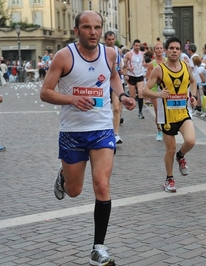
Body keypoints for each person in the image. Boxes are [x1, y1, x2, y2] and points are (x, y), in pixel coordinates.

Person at [40, 10, 135, 265]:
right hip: (72, 132)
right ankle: (64, 176)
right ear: (76, 31)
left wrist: (123, 94)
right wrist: (72, 98)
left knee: (102, 185)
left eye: (97, 27)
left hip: (102, 129)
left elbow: (113, 75)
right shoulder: (64, 56)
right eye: (87, 27)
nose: (93, 32)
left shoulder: (110, 53)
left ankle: (98, 248)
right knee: (74, 191)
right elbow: (45, 93)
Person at [142, 36, 197, 193]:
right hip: (166, 115)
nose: (174, 51)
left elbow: (193, 81)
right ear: (166, 51)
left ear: (181, 51)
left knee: (191, 141)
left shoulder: (186, 66)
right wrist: (159, 95)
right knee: (170, 150)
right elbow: (144, 90)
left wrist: (193, 96)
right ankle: (169, 179)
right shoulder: (159, 69)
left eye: (177, 48)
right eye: (171, 48)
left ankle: (181, 156)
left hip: (183, 112)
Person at [104, 31, 124, 144]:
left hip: (116, 82)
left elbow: (121, 65)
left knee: (116, 108)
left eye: (112, 39)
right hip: (105, 83)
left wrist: (121, 70)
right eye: (109, 39)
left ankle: (116, 134)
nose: (111, 41)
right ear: (105, 40)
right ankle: (105, 131)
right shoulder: (101, 50)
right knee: (104, 108)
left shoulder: (118, 51)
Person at [145, 42, 166, 141]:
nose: (159, 50)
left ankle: (167, 130)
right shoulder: (151, 64)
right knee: (158, 112)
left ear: (163, 50)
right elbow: (148, 77)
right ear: (154, 50)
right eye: (157, 48)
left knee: (166, 111)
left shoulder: (167, 61)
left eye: (161, 48)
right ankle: (159, 131)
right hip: (155, 90)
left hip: (165, 89)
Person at [124, 39, 145, 119]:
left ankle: (140, 112)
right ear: (133, 45)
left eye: (139, 46)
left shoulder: (142, 54)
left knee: (140, 92)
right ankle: (126, 97)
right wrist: (127, 70)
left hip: (140, 76)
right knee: (132, 96)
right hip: (131, 76)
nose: (137, 47)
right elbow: (124, 65)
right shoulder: (129, 54)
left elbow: (143, 63)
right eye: (136, 45)